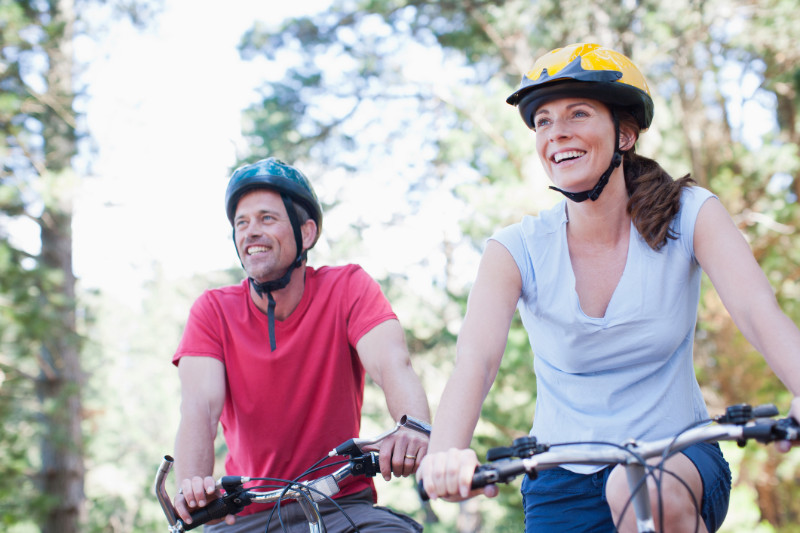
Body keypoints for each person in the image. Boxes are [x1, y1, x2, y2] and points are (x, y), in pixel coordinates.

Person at [417, 43, 800, 532]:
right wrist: (447, 452)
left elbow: (756, 310)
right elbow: (477, 360)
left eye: (578, 113)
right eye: (544, 122)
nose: (558, 134)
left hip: (676, 459)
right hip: (560, 478)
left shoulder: (691, 214)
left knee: (637, 488)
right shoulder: (516, 249)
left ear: (624, 133)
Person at [171, 157, 431, 532]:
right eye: (241, 223)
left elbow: (393, 364)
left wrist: (413, 428)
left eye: (266, 218)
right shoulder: (213, 310)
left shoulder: (348, 288)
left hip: (340, 506)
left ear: (306, 233)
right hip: (247, 515)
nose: (250, 232)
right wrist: (193, 485)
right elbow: (199, 407)